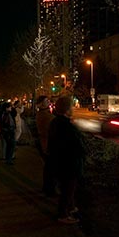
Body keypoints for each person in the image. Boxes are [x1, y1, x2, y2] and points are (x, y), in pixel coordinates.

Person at [48, 96, 83, 224]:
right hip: (68, 163)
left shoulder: (56, 122)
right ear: (67, 109)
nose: (73, 109)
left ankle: (71, 207)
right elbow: (74, 145)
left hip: (60, 162)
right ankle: (63, 214)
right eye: (71, 107)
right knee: (68, 189)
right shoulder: (66, 126)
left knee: (67, 188)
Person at [33, 96, 56, 197]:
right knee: (50, 169)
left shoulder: (43, 114)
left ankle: (48, 188)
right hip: (48, 144)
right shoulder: (45, 116)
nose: (49, 102)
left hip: (45, 144)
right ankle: (49, 189)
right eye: (46, 101)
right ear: (41, 104)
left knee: (48, 168)